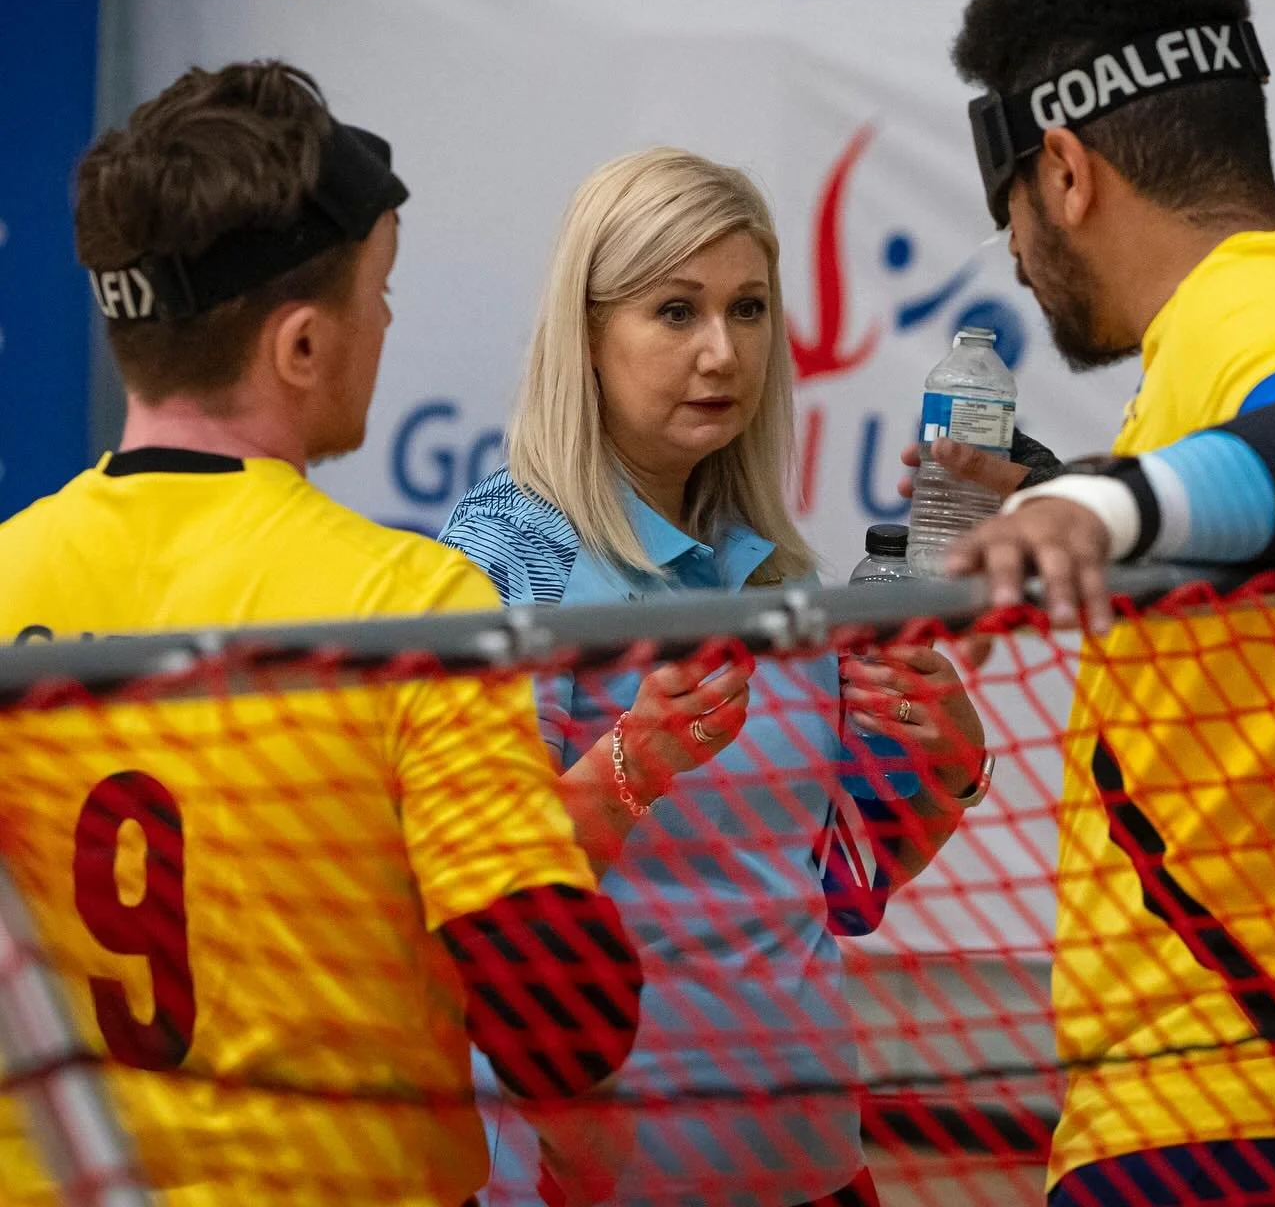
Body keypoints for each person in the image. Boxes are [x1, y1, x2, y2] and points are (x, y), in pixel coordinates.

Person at [0, 62, 642, 1207]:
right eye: (377, 289)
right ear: (299, 347)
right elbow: (560, 1022)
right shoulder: (408, 604)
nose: (386, 323)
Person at [933, 0, 1275, 1203]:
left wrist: (1104, 511)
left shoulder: (1251, 305)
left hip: (1236, 1122)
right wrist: (1078, 491)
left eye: (1011, 210)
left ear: (1063, 170)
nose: (1016, 253)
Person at [441, 147, 994, 1207]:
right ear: (588, 333)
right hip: (589, 1186)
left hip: (816, 1173)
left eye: (747, 311)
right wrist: (630, 764)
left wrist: (953, 753)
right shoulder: (507, 548)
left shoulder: (778, 567)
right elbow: (476, 894)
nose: (722, 353)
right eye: (676, 311)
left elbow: (841, 885)